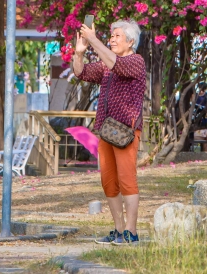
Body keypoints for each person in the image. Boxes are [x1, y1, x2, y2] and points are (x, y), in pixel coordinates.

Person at [73, 19, 146, 246]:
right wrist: (79, 53)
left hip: (125, 131)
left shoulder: (136, 61)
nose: (112, 39)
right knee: (109, 181)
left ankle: (131, 233)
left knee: (127, 180)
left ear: (131, 41)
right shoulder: (107, 64)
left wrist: (94, 39)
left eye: (117, 36)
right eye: (111, 36)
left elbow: (117, 64)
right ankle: (118, 229)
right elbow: (81, 72)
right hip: (106, 130)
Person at [192, 81, 207, 154]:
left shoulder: (206, 96)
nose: (202, 91)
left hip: (201, 120)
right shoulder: (196, 96)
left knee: (206, 134)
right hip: (196, 124)